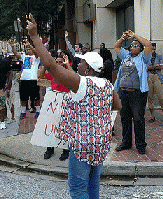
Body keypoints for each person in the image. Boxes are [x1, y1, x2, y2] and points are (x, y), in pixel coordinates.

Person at [26, 13, 121, 199]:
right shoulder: (108, 85)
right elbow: (117, 106)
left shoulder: (82, 83)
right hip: (100, 143)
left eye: (82, 62)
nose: (78, 65)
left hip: (82, 144)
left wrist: (35, 37)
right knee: (93, 187)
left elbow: (51, 66)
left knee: (78, 189)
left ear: (89, 68)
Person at [114, 30, 152, 155]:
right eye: (132, 45)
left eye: (136, 45)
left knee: (138, 119)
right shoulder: (125, 56)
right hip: (123, 92)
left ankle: (140, 145)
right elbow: (116, 46)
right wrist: (123, 37)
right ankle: (126, 142)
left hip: (137, 94)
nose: (133, 47)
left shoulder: (143, 57)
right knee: (125, 118)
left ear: (140, 49)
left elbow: (148, 45)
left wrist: (135, 36)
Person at [40, 55, 72, 161]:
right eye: (56, 62)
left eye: (60, 62)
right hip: (54, 102)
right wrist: (45, 66)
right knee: (50, 127)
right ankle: (49, 149)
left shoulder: (68, 73)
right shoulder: (53, 74)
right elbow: (40, 78)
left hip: (65, 102)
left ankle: (65, 150)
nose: (58, 64)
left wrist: (66, 64)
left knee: (64, 128)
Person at [8, 39, 41, 119]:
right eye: (27, 49)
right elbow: (16, 54)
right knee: (23, 97)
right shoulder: (24, 57)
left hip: (33, 80)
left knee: (36, 97)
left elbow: (36, 52)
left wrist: (28, 44)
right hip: (24, 80)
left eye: (29, 49)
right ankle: (23, 112)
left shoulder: (36, 57)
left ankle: (38, 111)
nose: (28, 50)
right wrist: (12, 46)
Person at [147, 43, 163, 122]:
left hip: (157, 76)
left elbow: (161, 66)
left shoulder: (158, 56)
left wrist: (153, 67)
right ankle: (152, 116)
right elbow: (147, 67)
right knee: (150, 97)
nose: (153, 49)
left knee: (160, 96)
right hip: (149, 76)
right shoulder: (146, 57)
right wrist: (155, 66)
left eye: (154, 48)